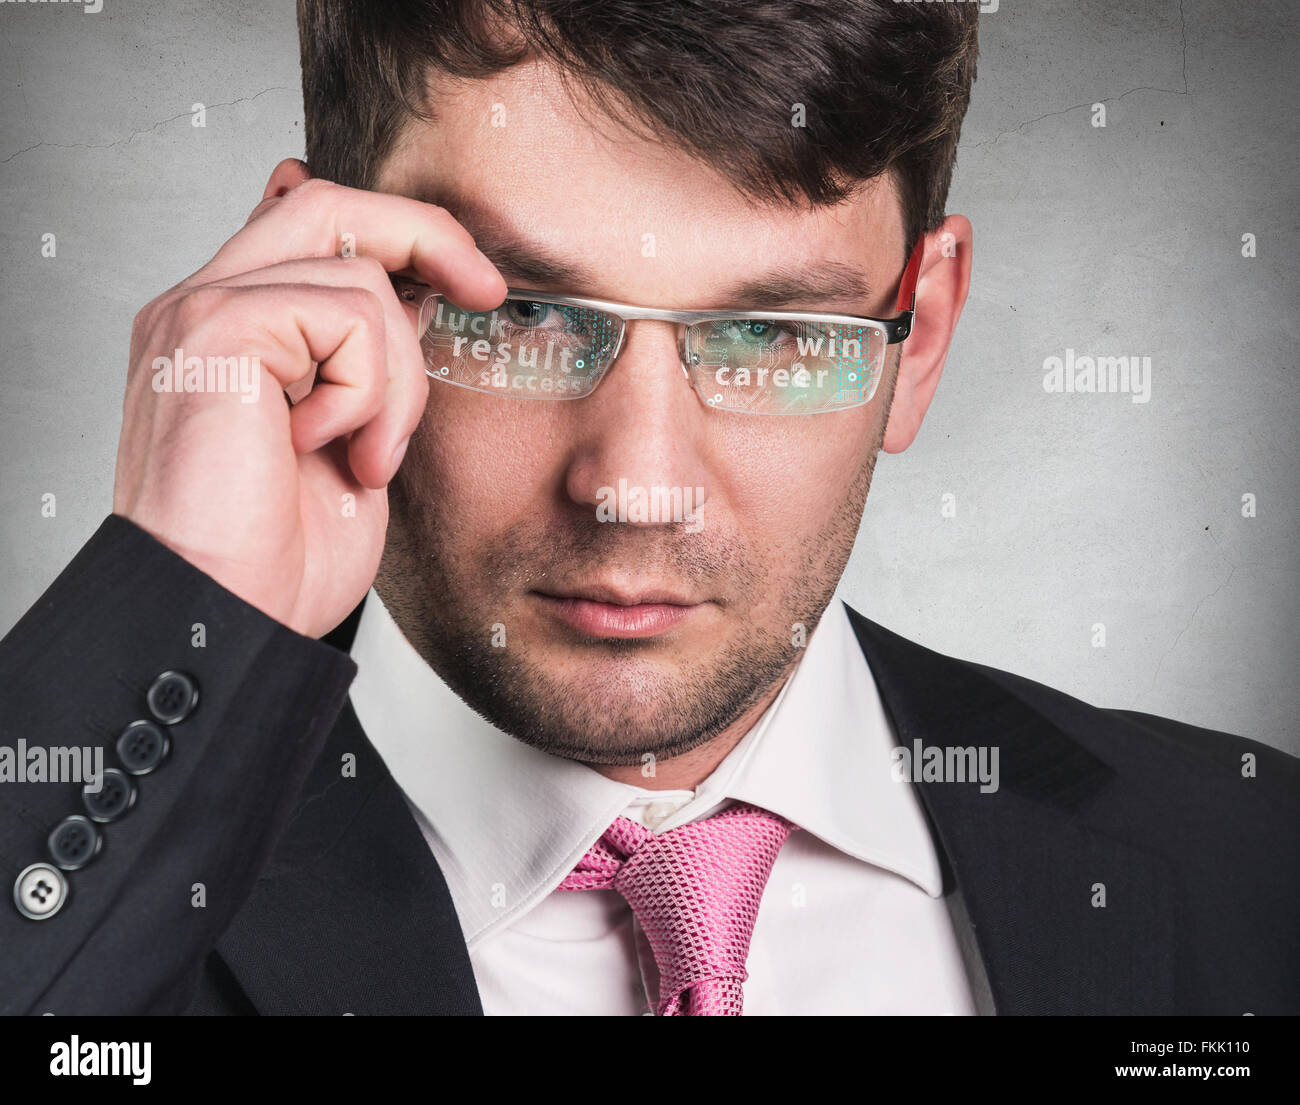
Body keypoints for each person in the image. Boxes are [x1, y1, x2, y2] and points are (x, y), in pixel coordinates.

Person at [0, 0, 1295, 1016]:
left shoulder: (1252, 865)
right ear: (314, 273)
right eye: (521, 315)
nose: (637, 484)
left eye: (772, 335)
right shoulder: (103, 865)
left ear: (927, 333)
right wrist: (172, 613)